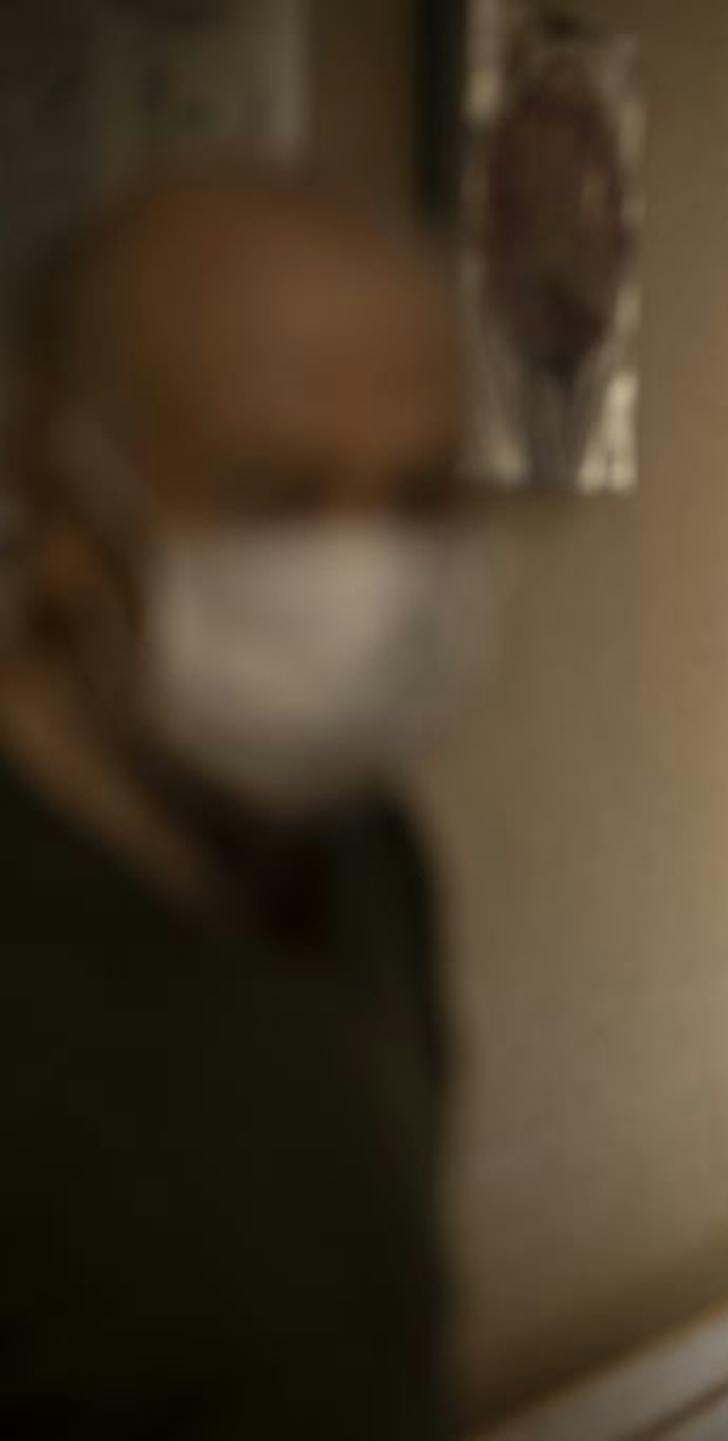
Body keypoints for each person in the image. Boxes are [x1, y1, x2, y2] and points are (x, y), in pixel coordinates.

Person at [0, 173, 482, 1438]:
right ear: (59, 500)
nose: (363, 579)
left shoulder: (369, 862)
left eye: (421, 499)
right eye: (276, 497)